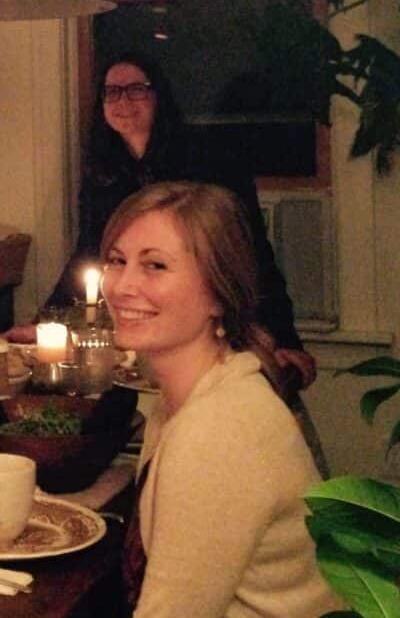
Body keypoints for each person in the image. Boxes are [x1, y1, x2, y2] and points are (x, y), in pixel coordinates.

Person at [102, 181, 343, 618]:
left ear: (218, 292)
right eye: (117, 261)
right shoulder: (194, 393)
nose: (123, 285)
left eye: (155, 265)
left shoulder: (218, 432)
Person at [24, 51, 315, 392]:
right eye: (112, 92)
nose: (123, 101)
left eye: (136, 90)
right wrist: (47, 323)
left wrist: (284, 337)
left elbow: (249, 252)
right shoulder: (103, 171)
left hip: (206, 326)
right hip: (141, 327)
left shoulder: (207, 158)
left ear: (158, 95)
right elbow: (88, 252)